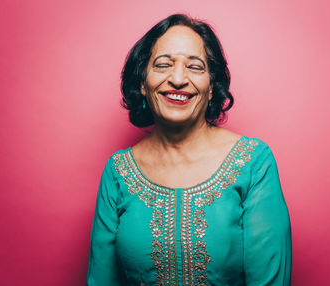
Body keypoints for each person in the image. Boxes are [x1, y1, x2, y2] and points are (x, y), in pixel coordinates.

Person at [87, 14, 292, 286]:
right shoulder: (118, 171)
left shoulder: (253, 163)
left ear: (211, 87)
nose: (178, 78)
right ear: (142, 83)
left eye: (195, 67)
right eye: (163, 65)